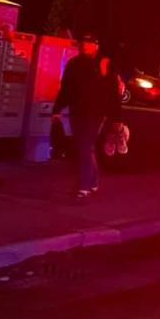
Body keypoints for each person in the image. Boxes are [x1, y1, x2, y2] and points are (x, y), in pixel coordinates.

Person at [53, 34, 120, 198]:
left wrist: (116, 116)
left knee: (84, 146)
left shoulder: (104, 64)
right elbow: (66, 88)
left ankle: (83, 187)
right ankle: (94, 181)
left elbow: (112, 90)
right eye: (84, 43)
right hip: (77, 111)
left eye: (90, 44)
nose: (86, 46)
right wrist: (57, 108)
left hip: (96, 113)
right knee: (86, 147)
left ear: (96, 46)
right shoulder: (73, 64)